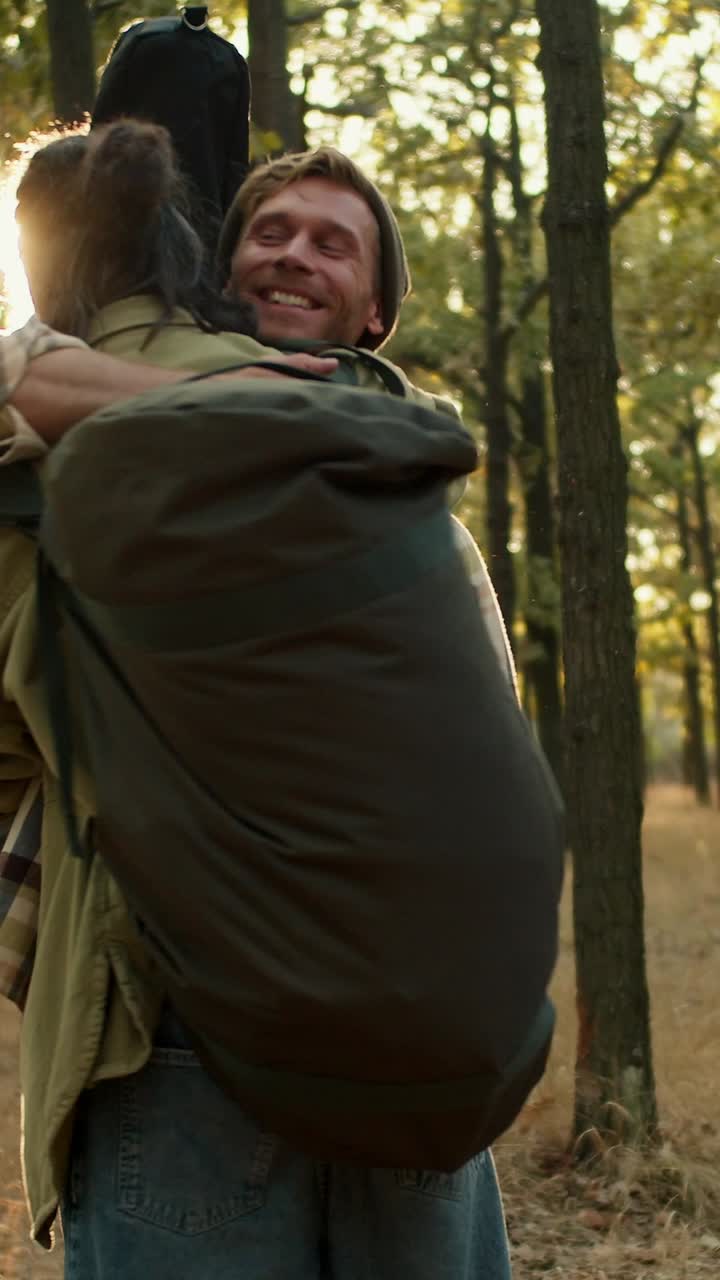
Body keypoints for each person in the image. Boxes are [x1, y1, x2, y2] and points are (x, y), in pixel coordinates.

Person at [2, 121, 515, 1279]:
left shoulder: (423, 506)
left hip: (378, 1020)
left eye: (334, 244)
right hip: (196, 1022)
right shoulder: (114, 427)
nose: (295, 254)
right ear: (211, 273)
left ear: (375, 307)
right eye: (269, 233)